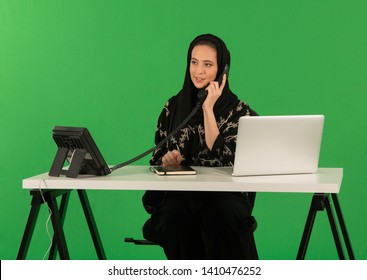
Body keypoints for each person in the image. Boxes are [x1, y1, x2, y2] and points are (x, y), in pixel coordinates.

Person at [142, 34, 258, 260]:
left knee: (221, 216)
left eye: (208, 64)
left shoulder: (241, 113)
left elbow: (230, 161)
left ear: (223, 71)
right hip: (181, 196)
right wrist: (168, 161)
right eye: (194, 62)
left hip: (225, 198)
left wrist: (207, 108)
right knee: (173, 219)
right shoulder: (173, 107)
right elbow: (157, 155)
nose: (199, 71)